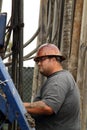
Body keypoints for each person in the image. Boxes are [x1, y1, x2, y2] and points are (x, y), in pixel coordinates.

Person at [24, 43, 81, 130]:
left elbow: (47, 107)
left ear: (54, 59)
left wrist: (18, 105)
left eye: (42, 59)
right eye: (37, 61)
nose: (39, 64)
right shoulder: (58, 78)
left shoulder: (59, 79)